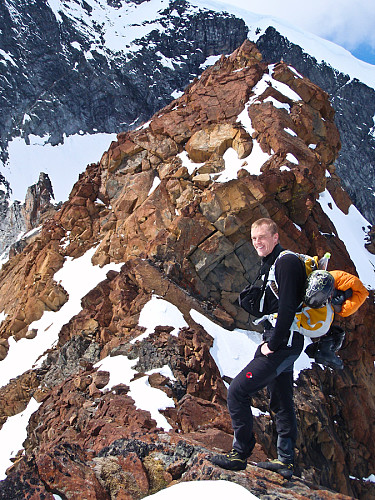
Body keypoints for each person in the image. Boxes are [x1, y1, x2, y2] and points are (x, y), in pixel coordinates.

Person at [210, 218, 306, 479]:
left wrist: (273, 344)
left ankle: (239, 454)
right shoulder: (274, 263)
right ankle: (285, 462)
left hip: (282, 342)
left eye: (262, 237)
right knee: (282, 400)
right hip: (288, 341)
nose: (257, 243)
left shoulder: (285, 262)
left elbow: (286, 306)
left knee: (237, 392)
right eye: (254, 239)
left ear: (275, 237)